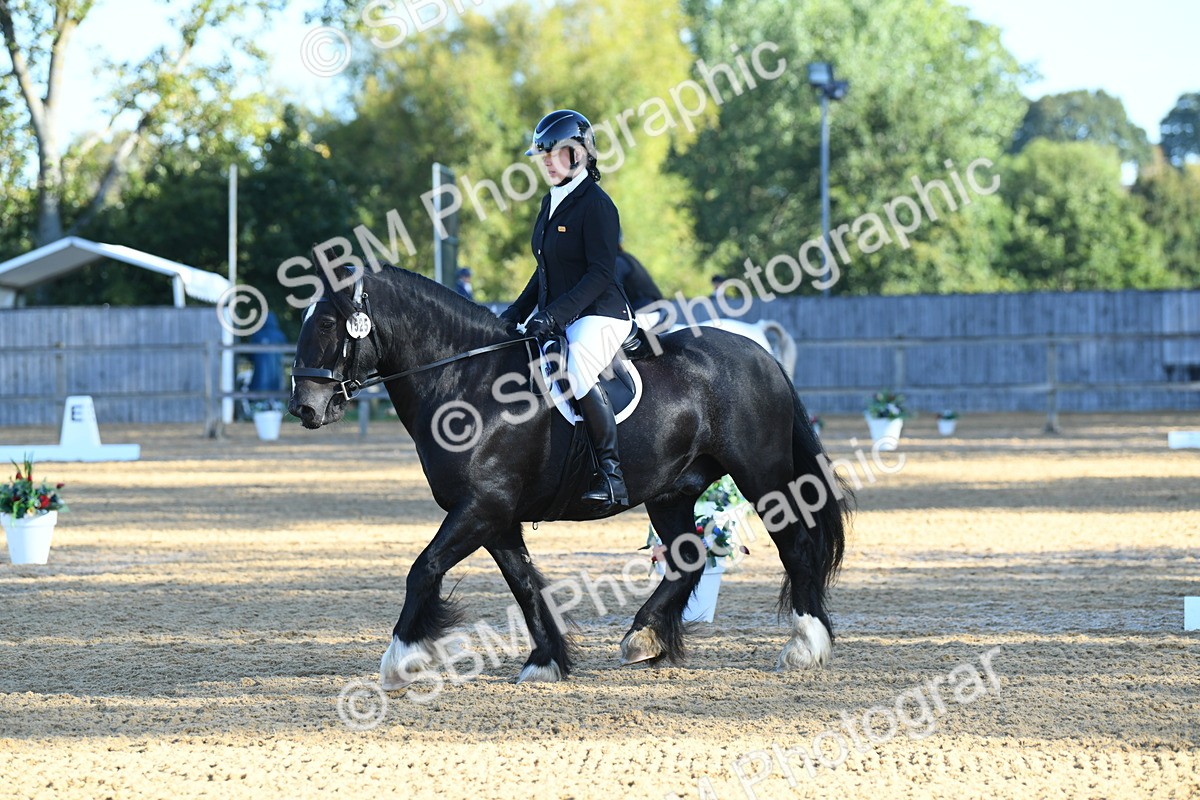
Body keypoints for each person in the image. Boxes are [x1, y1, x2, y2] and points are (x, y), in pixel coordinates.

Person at [499, 109, 633, 509]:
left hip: (602, 313)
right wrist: (514, 313)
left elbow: (598, 274)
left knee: (573, 368)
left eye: (553, 153)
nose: (544, 162)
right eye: (541, 155)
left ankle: (611, 474)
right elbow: (543, 271)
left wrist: (553, 315)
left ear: (577, 155)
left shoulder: (597, 205)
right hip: (563, 312)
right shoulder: (550, 202)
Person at [614, 231, 664, 312]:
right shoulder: (626, 258)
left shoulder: (618, 262)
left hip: (645, 309)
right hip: (655, 307)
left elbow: (611, 292)